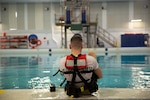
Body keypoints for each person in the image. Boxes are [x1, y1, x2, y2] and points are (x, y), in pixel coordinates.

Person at [59, 33, 102, 98]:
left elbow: (63, 74)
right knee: (92, 54)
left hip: (71, 91)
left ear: (70, 46)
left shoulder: (62, 61)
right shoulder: (91, 60)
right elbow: (100, 76)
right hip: (88, 90)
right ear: (82, 46)